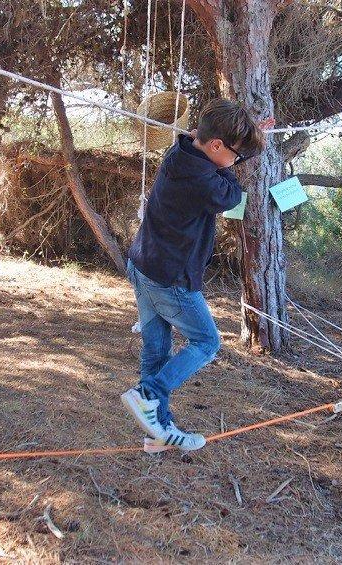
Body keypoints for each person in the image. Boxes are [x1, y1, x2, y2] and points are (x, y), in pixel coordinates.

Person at [121, 99, 274, 452]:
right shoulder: (204, 183)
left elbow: (218, 162)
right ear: (216, 145)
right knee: (207, 343)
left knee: (156, 349)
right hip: (170, 278)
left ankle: (156, 428)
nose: (237, 161)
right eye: (236, 154)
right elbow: (231, 194)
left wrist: (247, 144)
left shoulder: (182, 152)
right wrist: (237, 159)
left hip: (144, 265)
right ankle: (148, 395)